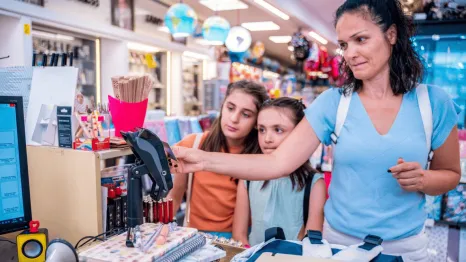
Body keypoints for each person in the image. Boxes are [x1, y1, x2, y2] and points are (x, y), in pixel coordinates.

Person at [171, 0, 461, 259]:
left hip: (406, 247)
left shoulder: (433, 103)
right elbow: (277, 162)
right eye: (345, 44)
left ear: (391, 35)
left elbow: (450, 174)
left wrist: (423, 179)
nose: (351, 53)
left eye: (361, 39)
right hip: (340, 246)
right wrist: (202, 159)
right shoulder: (334, 103)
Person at [167, 80, 268, 239]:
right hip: (194, 237)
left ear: (257, 122)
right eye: (230, 108)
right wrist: (159, 233)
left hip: (240, 241)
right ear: (222, 106)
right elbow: (175, 195)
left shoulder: (260, 158)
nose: (234, 118)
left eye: (246, 114)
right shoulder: (193, 145)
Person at [232, 97, 326, 247]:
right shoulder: (248, 178)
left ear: (300, 134)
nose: (267, 139)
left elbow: (311, 242)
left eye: (278, 130)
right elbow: (239, 235)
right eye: (262, 130)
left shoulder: (314, 183)